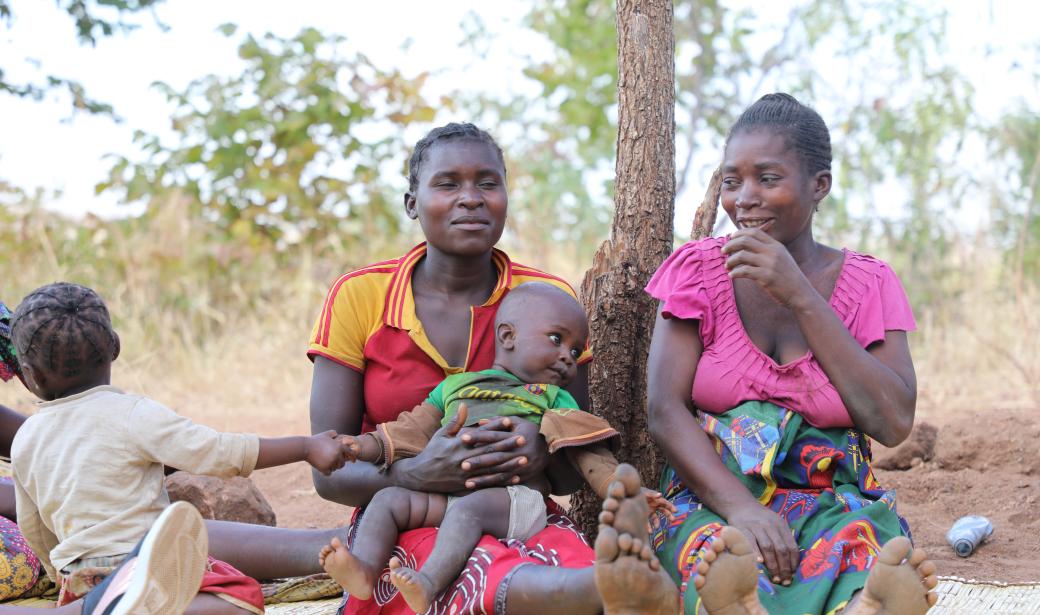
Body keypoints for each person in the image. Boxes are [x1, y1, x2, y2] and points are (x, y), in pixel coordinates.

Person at [308, 122, 679, 615]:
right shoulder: (360, 295)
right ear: (412, 203)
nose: (471, 198)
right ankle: (599, 590)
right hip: (398, 510)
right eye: (447, 183)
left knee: (515, 547)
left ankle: (606, 588)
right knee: (449, 558)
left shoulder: (546, 305)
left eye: (488, 182)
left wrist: (538, 452)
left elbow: (573, 457)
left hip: (515, 508)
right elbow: (329, 473)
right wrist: (416, 474)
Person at [644, 93, 939, 615]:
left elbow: (892, 423)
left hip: (834, 501)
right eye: (732, 181)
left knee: (863, 546)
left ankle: (864, 605)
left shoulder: (869, 283)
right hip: (713, 496)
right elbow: (663, 410)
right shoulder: (697, 270)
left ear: (818, 185)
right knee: (715, 558)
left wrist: (800, 295)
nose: (745, 199)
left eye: (768, 178)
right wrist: (742, 510)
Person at [318, 282, 675, 613]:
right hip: (448, 495)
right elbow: (409, 430)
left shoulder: (553, 397)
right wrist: (359, 447)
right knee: (387, 501)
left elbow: (588, 455)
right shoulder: (456, 387)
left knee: (470, 510)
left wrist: (622, 490)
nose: (568, 356)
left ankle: (428, 583)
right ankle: (363, 571)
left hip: (515, 501)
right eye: (556, 339)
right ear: (507, 336)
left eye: (576, 349)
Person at [8, 282, 356, 614]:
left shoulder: (25, 439)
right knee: (241, 600)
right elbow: (218, 452)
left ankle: (107, 606)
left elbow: (33, 527)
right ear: (114, 347)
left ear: (28, 374)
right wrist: (305, 447)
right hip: (141, 564)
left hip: (81, 579)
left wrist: (60, 578)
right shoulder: (133, 415)